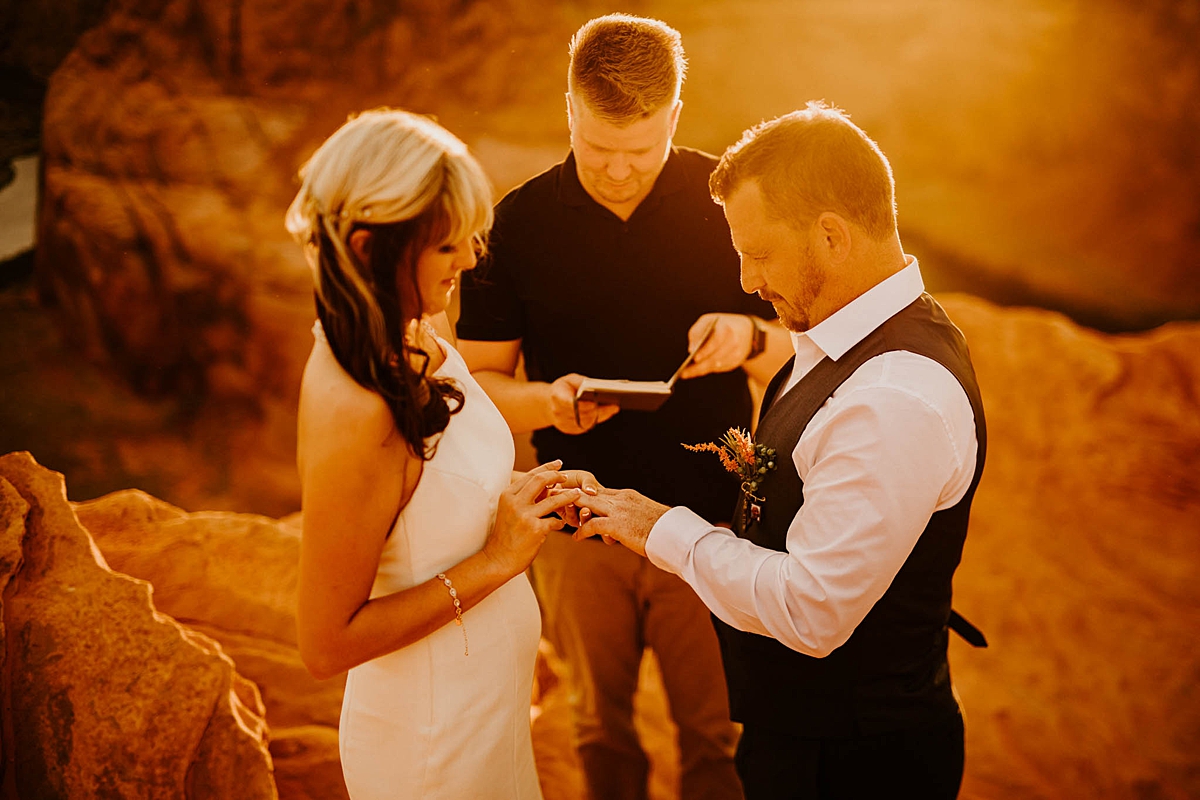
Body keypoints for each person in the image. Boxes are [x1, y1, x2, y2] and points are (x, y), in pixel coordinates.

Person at [573, 102, 988, 800]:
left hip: (858, 767)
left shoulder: (894, 396)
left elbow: (811, 611)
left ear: (831, 235)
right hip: (805, 742)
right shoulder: (840, 345)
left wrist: (657, 528)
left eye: (758, 254)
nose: (744, 280)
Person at [456, 13, 791, 800]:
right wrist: (547, 402)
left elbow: (805, 350)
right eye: (598, 149)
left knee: (719, 735)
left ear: (674, 115)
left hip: (712, 524)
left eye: (638, 152)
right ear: (569, 111)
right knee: (597, 730)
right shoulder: (518, 225)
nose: (616, 172)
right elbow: (477, 391)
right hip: (577, 519)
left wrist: (748, 335)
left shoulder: (731, 206)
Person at [285, 108, 597, 800]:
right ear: (370, 247)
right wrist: (496, 562)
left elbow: (428, 499)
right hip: (430, 748)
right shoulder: (358, 406)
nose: (472, 259)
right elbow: (324, 643)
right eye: (447, 245)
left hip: (487, 716)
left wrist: (524, 497)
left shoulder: (416, 331)